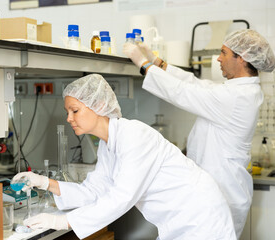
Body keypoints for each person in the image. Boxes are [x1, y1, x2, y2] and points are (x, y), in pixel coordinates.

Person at [13, 74, 236, 240]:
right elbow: (95, 191)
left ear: (98, 106)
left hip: (199, 218)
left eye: (75, 110)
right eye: (67, 112)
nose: (69, 118)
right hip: (178, 220)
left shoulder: (134, 135)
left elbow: (121, 197)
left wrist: (63, 221)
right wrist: (45, 183)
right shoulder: (108, 143)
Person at [123, 29, 275, 238]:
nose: (218, 59)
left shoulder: (237, 97)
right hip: (216, 194)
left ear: (242, 58)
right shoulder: (237, 91)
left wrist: (144, 64)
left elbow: (184, 92)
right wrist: (158, 63)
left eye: (223, 53)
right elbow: (197, 85)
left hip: (223, 195)